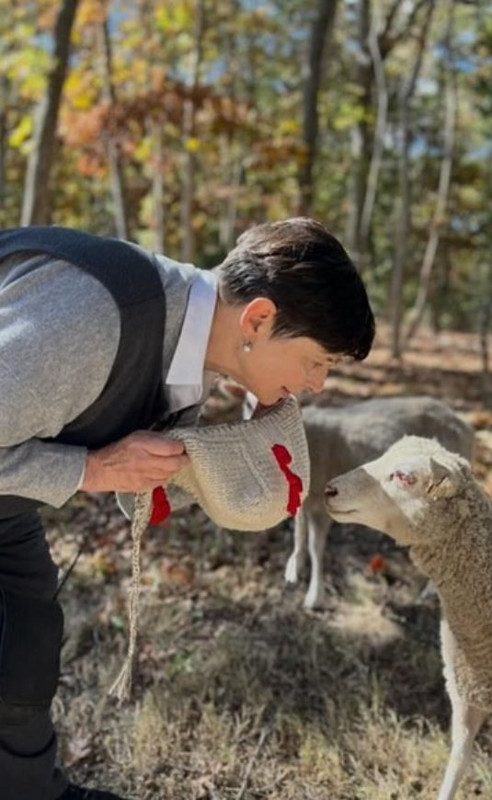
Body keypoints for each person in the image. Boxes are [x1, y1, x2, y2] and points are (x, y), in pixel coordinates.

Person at [0, 218, 375, 800]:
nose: (318, 385)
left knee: (25, 637)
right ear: (258, 319)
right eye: (317, 361)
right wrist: (93, 469)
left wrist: (214, 466)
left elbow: (133, 469)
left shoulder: (192, 352)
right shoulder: (96, 318)